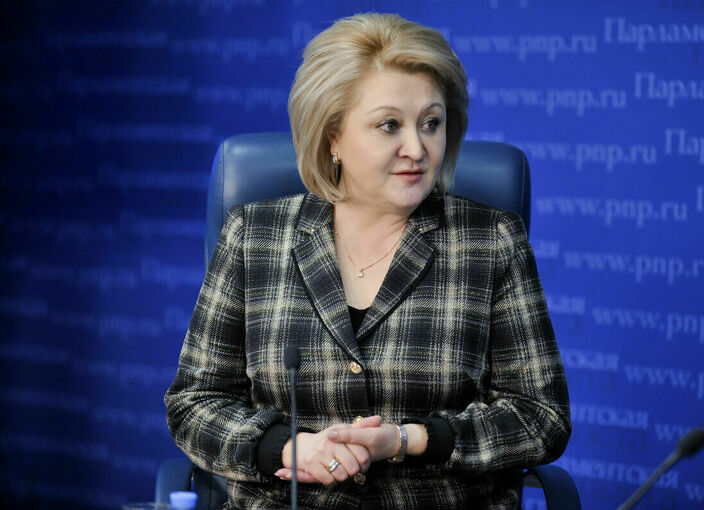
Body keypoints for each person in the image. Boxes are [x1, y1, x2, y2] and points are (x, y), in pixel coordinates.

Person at [165, 12, 570, 510]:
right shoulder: (254, 236)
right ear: (332, 135)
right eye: (389, 125)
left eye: (431, 123)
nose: (417, 149)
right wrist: (288, 448)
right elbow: (194, 404)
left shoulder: (489, 241)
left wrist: (411, 439)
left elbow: (541, 417)